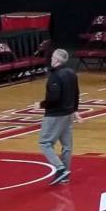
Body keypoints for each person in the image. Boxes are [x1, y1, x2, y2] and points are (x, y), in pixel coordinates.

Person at [39, 47, 79, 185]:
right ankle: (65, 176)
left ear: (56, 59)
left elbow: (54, 98)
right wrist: (75, 110)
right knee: (67, 145)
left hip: (55, 115)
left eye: (52, 57)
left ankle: (60, 168)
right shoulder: (71, 73)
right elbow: (76, 93)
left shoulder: (55, 76)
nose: (50, 59)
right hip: (68, 114)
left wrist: (41, 104)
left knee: (45, 143)